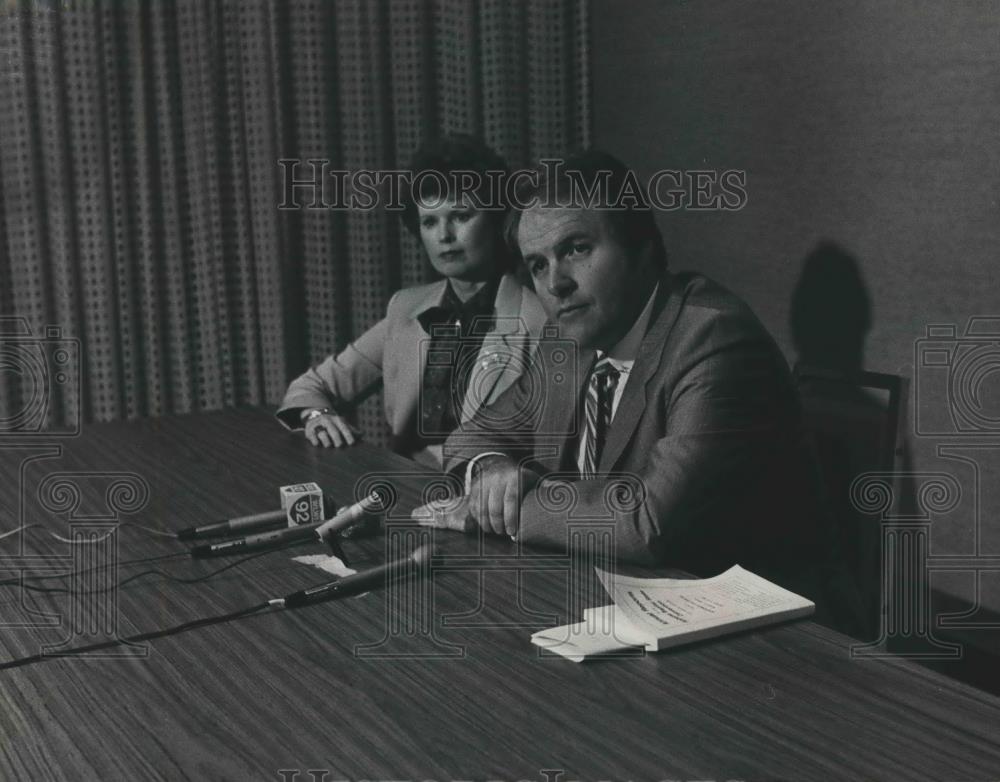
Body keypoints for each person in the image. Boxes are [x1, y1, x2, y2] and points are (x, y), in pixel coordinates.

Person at [442, 150, 863, 631]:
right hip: (617, 605)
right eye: (538, 265)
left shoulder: (713, 338)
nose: (555, 284)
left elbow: (648, 524)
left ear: (640, 246)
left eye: (576, 248)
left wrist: (512, 506)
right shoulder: (568, 344)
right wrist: (493, 469)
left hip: (770, 631)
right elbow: (471, 438)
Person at [277, 134, 546, 468]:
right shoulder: (405, 308)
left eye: (461, 216)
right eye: (429, 222)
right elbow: (313, 385)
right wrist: (317, 414)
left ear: (496, 219)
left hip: (486, 506)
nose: (444, 236)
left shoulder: (539, 321)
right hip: (402, 487)